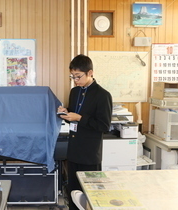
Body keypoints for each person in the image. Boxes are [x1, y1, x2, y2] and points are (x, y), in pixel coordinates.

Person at [57, 54, 112, 210]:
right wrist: (65, 113)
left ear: (90, 73)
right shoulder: (75, 92)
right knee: (74, 192)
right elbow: (73, 117)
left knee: (91, 195)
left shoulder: (102, 95)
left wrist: (80, 118)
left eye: (78, 76)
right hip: (74, 151)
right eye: (73, 76)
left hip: (90, 153)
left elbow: (104, 125)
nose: (75, 80)